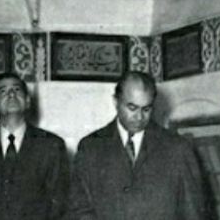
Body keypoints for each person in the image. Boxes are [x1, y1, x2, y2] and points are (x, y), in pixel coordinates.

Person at [67, 71, 205, 220]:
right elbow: (79, 209)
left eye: (146, 109)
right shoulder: (91, 148)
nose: (139, 117)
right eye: (132, 108)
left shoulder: (178, 149)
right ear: (116, 102)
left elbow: (193, 213)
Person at [0, 72, 69, 220]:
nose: (11, 94)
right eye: (3, 91)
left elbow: (59, 202)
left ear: (28, 101)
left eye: (17, 90)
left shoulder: (51, 144)